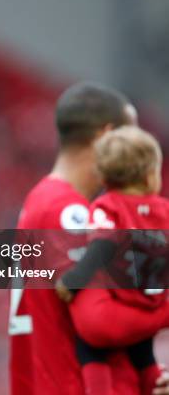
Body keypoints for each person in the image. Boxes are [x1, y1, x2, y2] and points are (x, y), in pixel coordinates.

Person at [9, 81, 169, 395]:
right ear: (106, 137)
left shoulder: (40, 202)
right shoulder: (70, 214)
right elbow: (97, 324)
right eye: (132, 137)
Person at [55, 126, 169, 394]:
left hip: (120, 302)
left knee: (90, 348)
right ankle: (154, 385)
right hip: (150, 303)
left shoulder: (108, 206)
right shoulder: (165, 210)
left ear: (103, 176)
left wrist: (72, 282)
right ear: (151, 174)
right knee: (144, 356)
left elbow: (102, 246)